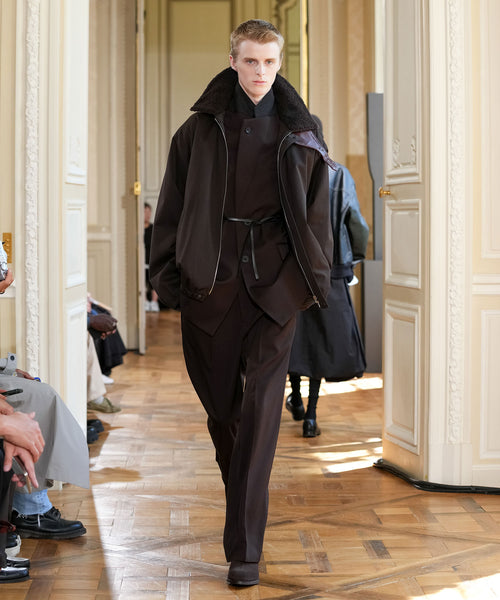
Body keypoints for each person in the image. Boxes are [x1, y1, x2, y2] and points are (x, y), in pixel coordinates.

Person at [150, 20, 334, 587]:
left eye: (270, 62)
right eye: (251, 61)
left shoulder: (302, 131)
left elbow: (319, 214)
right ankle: (243, 500)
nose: (261, 72)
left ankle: (245, 549)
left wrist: (305, 283)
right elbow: (171, 209)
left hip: (276, 284)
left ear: (279, 64)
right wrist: (169, 280)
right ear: (233, 61)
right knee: (224, 412)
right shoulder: (196, 132)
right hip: (211, 283)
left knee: (261, 412)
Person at [286, 123, 369, 437]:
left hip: (292, 270)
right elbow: (356, 224)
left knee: (295, 339)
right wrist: (354, 257)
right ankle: (310, 416)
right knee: (321, 340)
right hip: (331, 270)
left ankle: (295, 399)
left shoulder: (287, 172)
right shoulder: (339, 174)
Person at [144, 203, 160, 312]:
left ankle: (154, 302)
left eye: (149, 212)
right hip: (142, 262)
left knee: (155, 280)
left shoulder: (154, 229)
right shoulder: (138, 230)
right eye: (145, 212)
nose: (147, 214)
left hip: (152, 261)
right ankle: (144, 301)